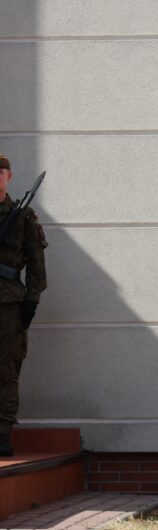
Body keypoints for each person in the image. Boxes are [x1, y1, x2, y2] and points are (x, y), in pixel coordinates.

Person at [0, 154, 47, 457]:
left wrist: (31, 300)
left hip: (9, 304)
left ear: (9, 177)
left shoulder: (23, 216)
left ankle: (2, 433)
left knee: (6, 369)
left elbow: (37, 264)